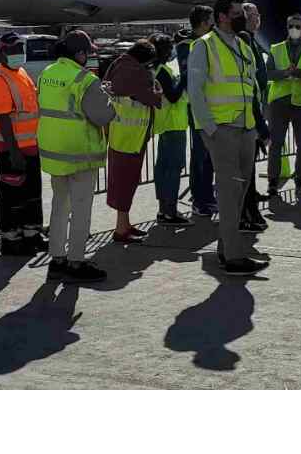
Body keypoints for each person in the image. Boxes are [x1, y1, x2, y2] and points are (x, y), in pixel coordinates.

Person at [187, 0, 270, 275]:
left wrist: (258, 127)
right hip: (222, 129)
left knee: (240, 190)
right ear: (222, 16)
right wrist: (208, 128)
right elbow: (195, 91)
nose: (242, 18)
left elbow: (252, 89)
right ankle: (233, 256)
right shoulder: (204, 45)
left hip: (245, 128)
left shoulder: (243, 45)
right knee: (229, 190)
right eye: (236, 14)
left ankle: (227, 248)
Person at [37, 31, 115, 283]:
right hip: (79, 152)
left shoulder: (47, 72)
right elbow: (103, 116)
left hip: (54, 152)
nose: (90, 57)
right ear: (80, 54)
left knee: (60, 206)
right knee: (81, 209)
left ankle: (57, 259)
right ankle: (76, 261)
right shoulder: (85, 79)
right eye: (88, 52)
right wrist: (107, 97)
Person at [0, 32, 45, 256]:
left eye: (20, 50)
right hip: (13, 149)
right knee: (13, 198)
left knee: (31, 195)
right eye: (11, 50)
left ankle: (32, 236)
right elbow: (3, 118)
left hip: (29, 145)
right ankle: (12, 240)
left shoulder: (20, 73)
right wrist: (14, 153)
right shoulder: (0, 80)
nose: (17, 54)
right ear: (1, 52)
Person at [104, 39, 163, 243]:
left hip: (120, 134)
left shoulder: (117, 64)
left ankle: (125, 224)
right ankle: (121, 229)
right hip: (131, 137)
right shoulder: (136, 71)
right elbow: (149, 97)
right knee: (125, 183)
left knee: (124, 181)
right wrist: (157, 93)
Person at [265, 13, 301, 196]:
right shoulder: (276, 49)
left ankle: (300, 181)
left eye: (298, 26)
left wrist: (300, 73)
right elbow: (268, 73)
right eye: (291, 26)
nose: (294, 29)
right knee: (276, 143)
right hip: (280, 102)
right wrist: (285, 73)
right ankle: (273, 182)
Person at [178, 7, 219, 217]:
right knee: (200, 155)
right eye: (211, 20)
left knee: (211, 155)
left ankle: (208, 195)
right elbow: (189, 78)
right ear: (204, 22)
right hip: (196, 107)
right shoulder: (188, 46)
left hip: (214, 106)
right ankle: (199, 198)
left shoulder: (211, 43)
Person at [149, 32, 192, 225]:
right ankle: (170, 211)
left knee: (163, 167)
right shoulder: (163, 71)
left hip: (166, 122)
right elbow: (173, 96)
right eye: (170, 48)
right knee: (173, 168)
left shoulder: (155, 69)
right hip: (174, 124)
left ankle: (163, 209)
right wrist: (184, 76)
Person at [239, 3, 272, 231]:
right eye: (253, 15)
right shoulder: (244, 40)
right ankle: (245, 214)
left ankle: (250, 210)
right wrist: (261, 125)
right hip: (243, 117)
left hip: (252, 112)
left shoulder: (251, 39)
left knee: (247, 170)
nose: (257, 18)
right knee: (243, 172)